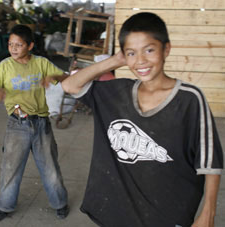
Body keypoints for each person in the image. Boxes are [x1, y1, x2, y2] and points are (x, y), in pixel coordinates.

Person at [61, 12, 224, 227]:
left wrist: (208, 212)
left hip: (168, 213)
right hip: (118, 210)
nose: (141, 61)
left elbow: (210, 161)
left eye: (149, 50)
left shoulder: (189, 99)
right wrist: (115, 59)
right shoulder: (116, 93)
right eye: (131, 53)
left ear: (166, 49)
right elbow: (70, 85)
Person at [0, 24, 69, 222]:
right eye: (10, 44)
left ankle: (60, 203)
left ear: (30, 46)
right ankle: (5, 206)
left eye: (19, 45)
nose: (13, 48)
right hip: (17, 125)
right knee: (10, 169)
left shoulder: (41, 63)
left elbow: (65, 77)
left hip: (41, 124)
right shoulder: (5, 66)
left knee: (50, 169)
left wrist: (53, 76)